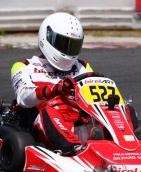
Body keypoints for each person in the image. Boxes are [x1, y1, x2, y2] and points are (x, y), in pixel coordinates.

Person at [10, 12, 95, 155]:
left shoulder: (83, 67)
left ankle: (134, 140)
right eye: (64, 44)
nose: (68, 51)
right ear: (47, 37)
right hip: (45, 123)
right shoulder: (24, 66)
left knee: (121, 109)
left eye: (73, 46)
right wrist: (53, 90)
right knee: (49, 113)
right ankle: (73, 148)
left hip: (79, 120)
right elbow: (24, 97)